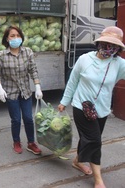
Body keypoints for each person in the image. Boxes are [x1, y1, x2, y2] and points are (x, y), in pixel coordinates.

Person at [58, 26, 125, 188]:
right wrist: (63, 102)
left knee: (88, 139)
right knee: (94, 141)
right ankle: (98, 180)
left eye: (113, 45)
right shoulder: (85, 59)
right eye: (106, 43)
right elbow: (72, 82)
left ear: (118, 49)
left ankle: (77, 161)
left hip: (101, 110)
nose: (109, 48)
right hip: (81, 107)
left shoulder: (119, 64)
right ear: (99, 43)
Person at [0, 25, 43, 155]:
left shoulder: (28, 52)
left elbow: (33, 70)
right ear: (7, 39)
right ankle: (16, 141)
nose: (16, 38)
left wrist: (37, 86)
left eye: (18, 35)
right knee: (15, 119)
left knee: (28, 118)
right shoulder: (1, 55)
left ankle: (31, 143)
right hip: (11, 93)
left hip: (25, 91)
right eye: (12, 36)